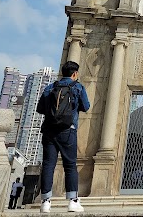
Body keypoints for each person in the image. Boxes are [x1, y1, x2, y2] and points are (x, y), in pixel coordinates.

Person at [36, 60, 91, 214]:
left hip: (49, 131)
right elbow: (86, 106)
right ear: (75, 73)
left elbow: (40, 108)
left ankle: (45, 202)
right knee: (70, 165)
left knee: (48, 164)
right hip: (68, 131)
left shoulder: (50, 87)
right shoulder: (78, 87)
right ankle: (73, 201)